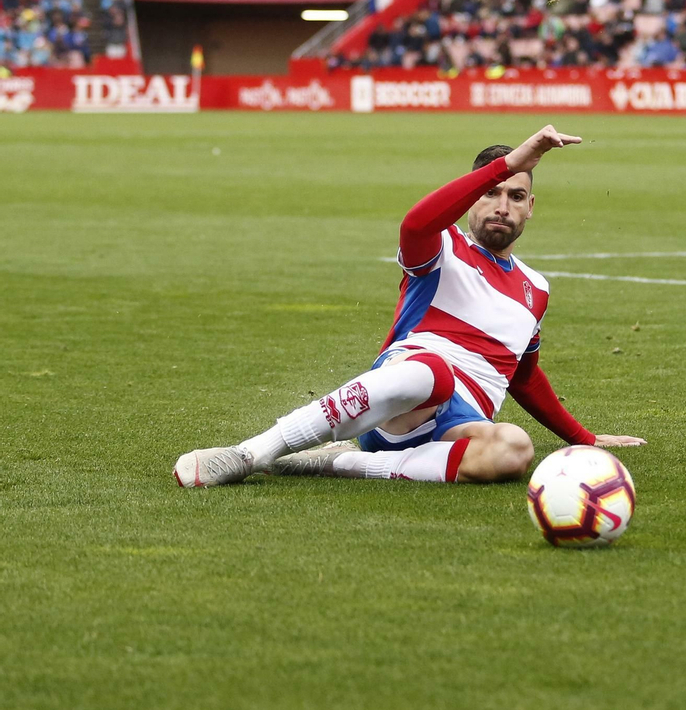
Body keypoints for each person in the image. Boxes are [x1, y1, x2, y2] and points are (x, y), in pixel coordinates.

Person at [173, 127, 645, 488]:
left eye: (516, 196)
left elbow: (523, 375)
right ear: (471, 196)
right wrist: (510, 164)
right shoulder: (442, 245)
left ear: (531, 207)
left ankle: (340, 463)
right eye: (491, 192)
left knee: (514, 450)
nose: (502, 205)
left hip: (456, 428)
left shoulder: (536, 287)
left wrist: (584, 439)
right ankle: (249, 454)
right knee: (431, 373)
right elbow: (414, 223)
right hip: (403, 402)